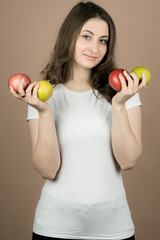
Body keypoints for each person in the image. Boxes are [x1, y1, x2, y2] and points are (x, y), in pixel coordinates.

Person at [9, 1, 147, 240]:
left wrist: (119, 104)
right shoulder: (41, 95)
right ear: (69, 36)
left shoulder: (125, 91)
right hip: (54, 229)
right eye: (87, 36)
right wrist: (43, 111)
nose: (95, 47)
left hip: (113, 230)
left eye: (103, 40)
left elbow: (128, 161)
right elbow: (47, 169)